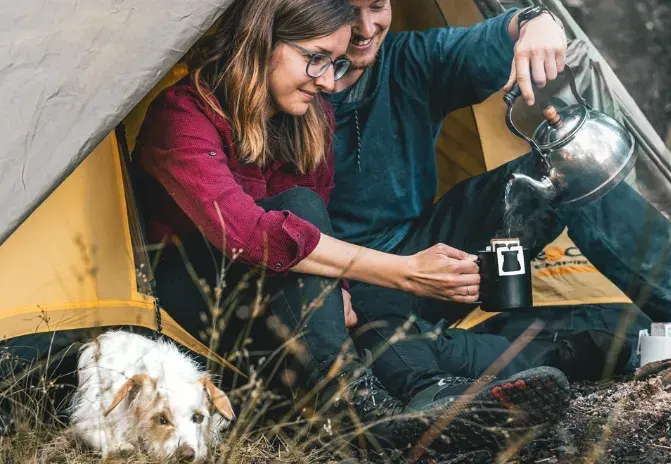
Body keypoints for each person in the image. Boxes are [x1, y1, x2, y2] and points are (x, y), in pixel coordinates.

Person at [132, 0, 571, 450]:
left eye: (335, 63)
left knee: (361, 285)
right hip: (203, 302)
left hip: (288, 312)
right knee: (317, 227)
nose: (327, 80)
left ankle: (426, 391)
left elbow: (316, 231)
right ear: (262, 41)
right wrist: (402, 271)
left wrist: (339, 288)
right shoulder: (182, 115)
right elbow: (248, 232)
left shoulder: (309, 116)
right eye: (315, 58)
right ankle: (353, 406)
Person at [318, 0, 671, 392]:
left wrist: (538, 22)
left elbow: (497, 34)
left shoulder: (408, 60)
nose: (364, 27)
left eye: (377, 6)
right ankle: (456, 358)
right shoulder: (286, 89)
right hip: (342, 287)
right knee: (404, 359)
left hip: (433, 257)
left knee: (562, 166)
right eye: (346, 9)